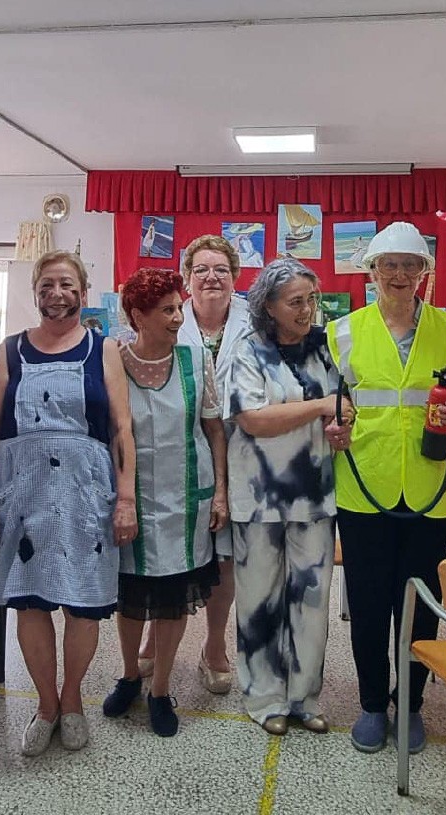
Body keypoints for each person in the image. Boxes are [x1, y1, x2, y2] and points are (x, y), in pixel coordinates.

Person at [0, 250, 136, 756]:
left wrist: (126, 497)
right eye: (46, 284)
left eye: (66, 284)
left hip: (87, 494)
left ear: (83, 293)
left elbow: (123, 427)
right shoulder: (11, 350)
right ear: (35, 293)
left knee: (84, 605)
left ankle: (72, 701)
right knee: (32, 603)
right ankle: (44, 705)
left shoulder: (103, 349)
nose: (56, 292)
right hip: (23, 495)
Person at [327, 221, 446, 754]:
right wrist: (332, 427)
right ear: (372, 271)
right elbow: (332, 403)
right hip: (364, 487)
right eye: (390, 265)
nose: (401, 275)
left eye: (412, 265)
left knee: (421, 604)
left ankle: (408, 704)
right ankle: (369, 704)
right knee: (367, 601)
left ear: (425, 274)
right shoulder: (342, 332)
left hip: (432, 490)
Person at [100, 268, 229, 737]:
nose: (179, 317)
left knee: (173, 597)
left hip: (185, 501)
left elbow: (214, 428)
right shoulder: (112, 360)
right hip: (129, 498)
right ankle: (131, 676)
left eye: (179, 307)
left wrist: (220, 491)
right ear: (138, 316)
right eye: (168, 310)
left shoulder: (198, 360)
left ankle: (160, 689)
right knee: (131, 593)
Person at [226, 258, 351, 735]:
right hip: (259, 499)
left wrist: (342, 426)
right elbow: (253, 418)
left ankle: (303, 697)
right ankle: (264, 699)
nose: (307, 310)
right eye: (296, 302)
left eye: (312, 300)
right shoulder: (248, 351)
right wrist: (322, 406)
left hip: (315, 496)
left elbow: (344, 407)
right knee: (260, 599)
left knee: (311, 603)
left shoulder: (326, 350)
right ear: (270, 307)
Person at [140, 235, 250, 693]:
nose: (211, 277)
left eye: (221, 269)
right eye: (201, 269)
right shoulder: (170, 319)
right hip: (175, 450)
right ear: (187, 278)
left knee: (224, 556)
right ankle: (151, 633)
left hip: (241, 451)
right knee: (165, 546)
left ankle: (215, 645)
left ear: (235, 277)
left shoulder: (255, 320)